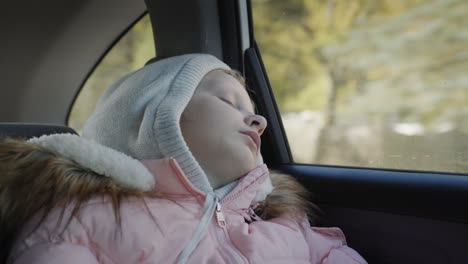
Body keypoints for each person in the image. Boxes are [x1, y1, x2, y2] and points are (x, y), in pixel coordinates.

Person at [0, 54, 366, 263]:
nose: (260, 120)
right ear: (155, 117)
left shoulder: (278, 219)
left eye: (253, 111)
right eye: (228, 102)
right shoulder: (84, 215)